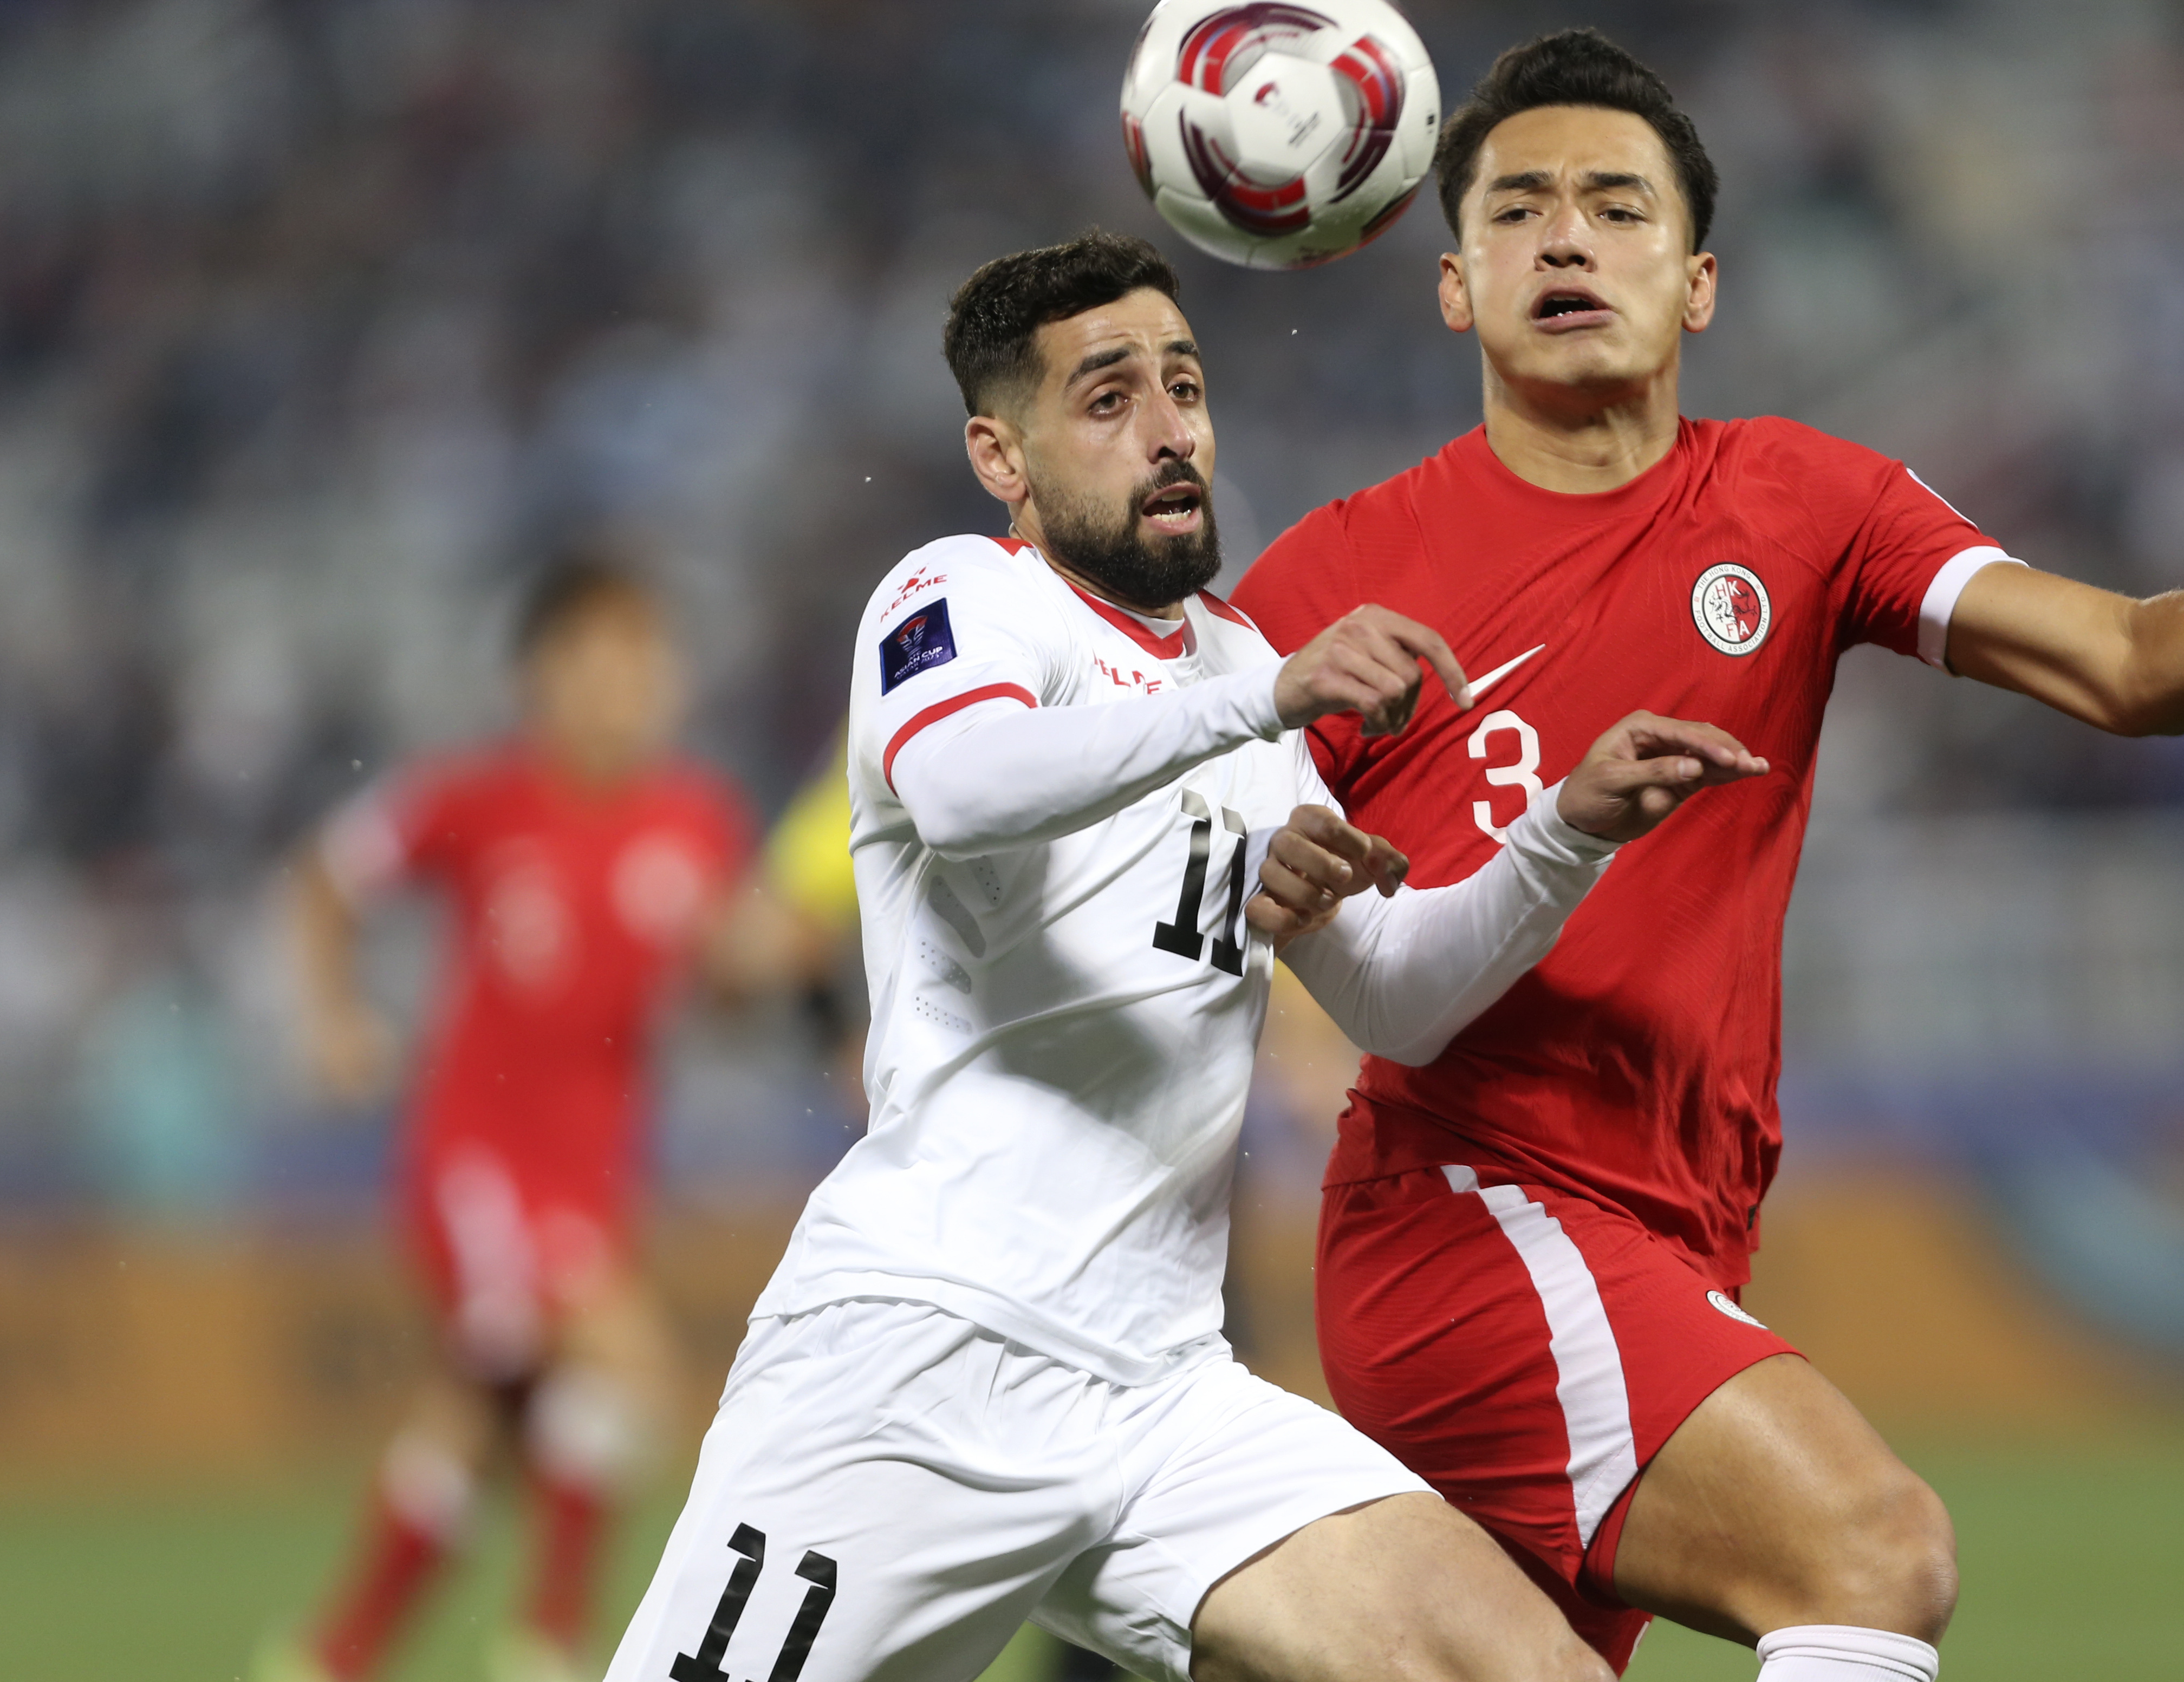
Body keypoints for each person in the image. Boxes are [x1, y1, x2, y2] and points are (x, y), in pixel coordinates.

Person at [1228, 29, 2184, 1682]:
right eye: (1516, 211)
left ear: (1700, 281)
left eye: (1613, 206)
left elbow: (2125, 662)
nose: (1566, 240)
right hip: (1476, 1220)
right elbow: (1194, 869)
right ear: (1453, 286)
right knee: (1867, 1555)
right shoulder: (1329, 582)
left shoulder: (1805, 508)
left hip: (1674, 1221)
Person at [602, 231, 1767, 1682]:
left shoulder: (1233, 674)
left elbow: (1394, 995)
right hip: (916, 1366)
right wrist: (1264, 700)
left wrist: (1562, 833)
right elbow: (963, 788)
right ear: (1000, 455)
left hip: (1159, 1392)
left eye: (1186, 386)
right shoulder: (959, 601)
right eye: (1107, 399)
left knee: (1519, 1669)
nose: (1169, 429)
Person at [262, 552, 755, 1682]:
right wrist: (333, 1016)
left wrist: (757, 965)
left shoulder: (697, 821)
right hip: (477, 1162)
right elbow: (325, 878)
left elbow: (727, 980)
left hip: (595, 1180)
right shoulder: (476, 799)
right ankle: (551, 1644)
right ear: (542, 673)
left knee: (487, 1415)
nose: (633, 679)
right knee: (626, 1366)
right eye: (604, 654)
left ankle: (328, 1658)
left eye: (648, 655)